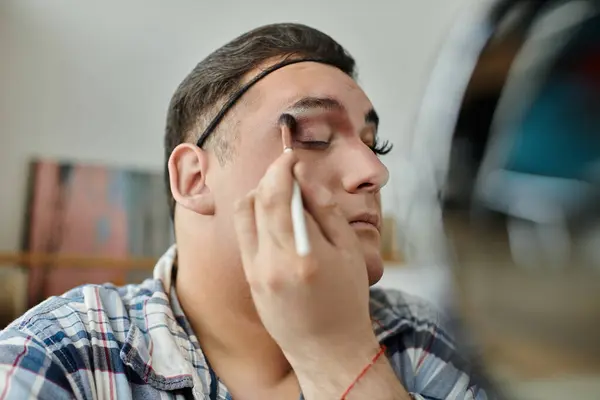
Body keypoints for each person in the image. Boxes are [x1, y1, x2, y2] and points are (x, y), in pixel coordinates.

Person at [0, 23, 488, 399]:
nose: (374, 172)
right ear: (194, 178)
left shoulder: (423, 338)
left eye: (372, 144)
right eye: (314, 136)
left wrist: (342, 359)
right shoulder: (57, 358)